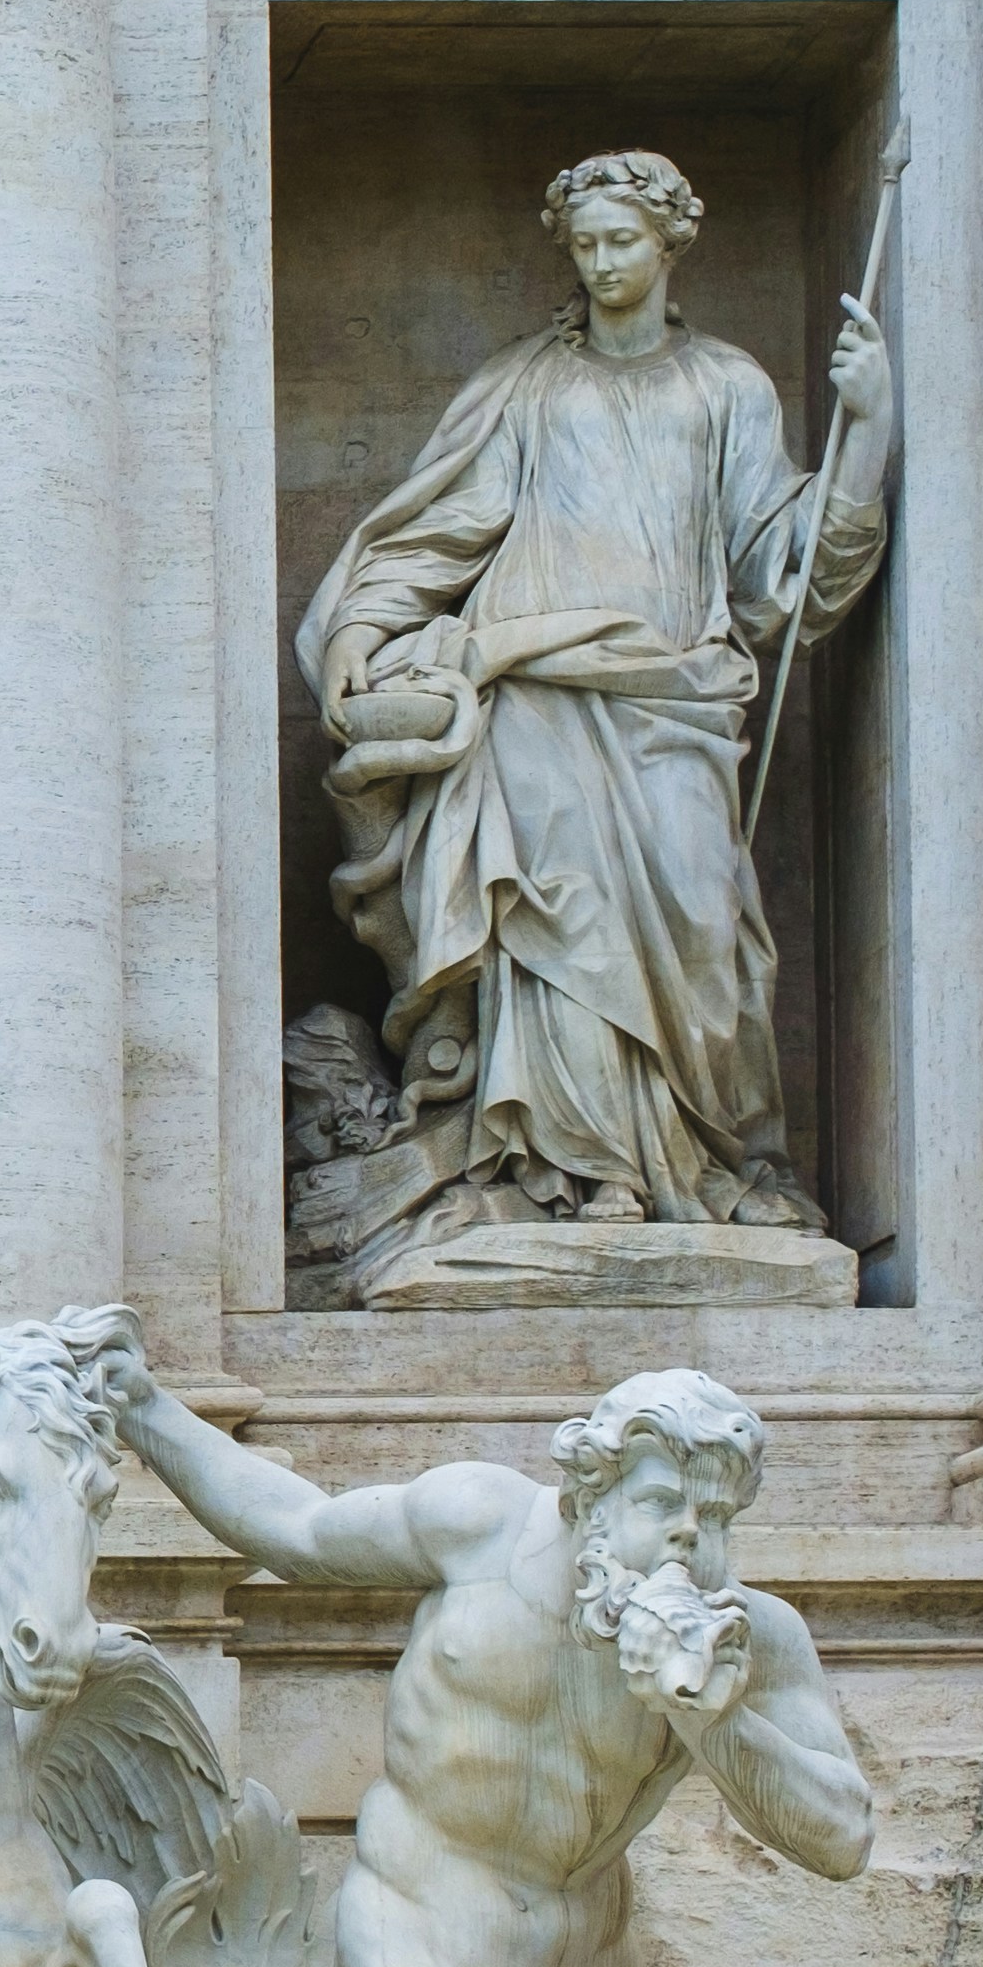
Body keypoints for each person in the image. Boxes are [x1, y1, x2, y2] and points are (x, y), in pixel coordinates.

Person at [300, 149, 886, 1257]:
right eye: (587, 244)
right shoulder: (526, 385)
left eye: (626, 240)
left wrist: (868, 433)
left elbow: (786, 575)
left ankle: (711, 1160)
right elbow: (436, 531)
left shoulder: (726, 386)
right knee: (549, 920)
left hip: (675, 697)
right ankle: (570, 1168)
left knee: (705, 925)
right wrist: (360, 628)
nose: (606, 261)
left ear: (671, 245)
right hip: (533, 693)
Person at [113, 1362, 870, 1967]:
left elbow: (843, 1839)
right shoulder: (480, 1525)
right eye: (659, 1504)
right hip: (418, 1944)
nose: (689, 1535)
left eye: (715, 1515)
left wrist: (711, 1716)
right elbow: (295, 1529)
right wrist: (143, 1407)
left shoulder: (750, 1639)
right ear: (591, 1497)